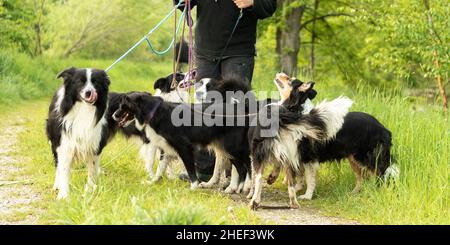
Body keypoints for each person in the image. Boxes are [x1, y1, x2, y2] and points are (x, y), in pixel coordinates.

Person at [174, 0, 277, 181]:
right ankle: (204, 170)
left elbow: (269, 6)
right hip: (205, 50)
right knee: (204, 113)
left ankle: (241, 172)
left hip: (238, 52)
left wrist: (252, 2)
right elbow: (183, 4)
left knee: (235, 114)